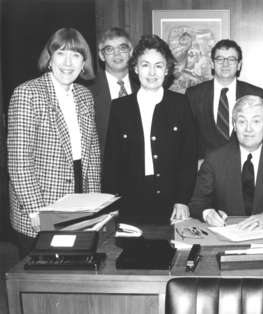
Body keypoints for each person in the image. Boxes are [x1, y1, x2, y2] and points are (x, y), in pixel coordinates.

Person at [7, 28, 101, 257]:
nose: (68, 62)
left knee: (75, 272)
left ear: (84, 63)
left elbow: (93, 153)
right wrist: (36, 212)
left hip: (79, 201)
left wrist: (96, 205)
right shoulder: (27, 93)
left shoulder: (84, 95)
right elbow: (19, 162)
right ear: (49, 58)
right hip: (41, 204)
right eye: (61, 53)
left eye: (76, 55)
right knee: (42, 283)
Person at [103, 35, 197, 225]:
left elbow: (188, 157)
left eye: (159, 65)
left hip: (171, 202)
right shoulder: (120, 107)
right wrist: (110, 204)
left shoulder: (181, 104)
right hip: (129, 202)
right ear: (136, 69)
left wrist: (182, 200)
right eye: (145, 65)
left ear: (167, 70)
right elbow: (112, 161)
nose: (152, 72)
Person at [190, 95, 263, 230]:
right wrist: (208, 213)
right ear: (234, 125)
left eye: (256, 121)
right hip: (228, 234)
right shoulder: (215, 158)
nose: (248, 129)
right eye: (242, 122)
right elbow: (197, 202)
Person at [186, 39, 263, 160]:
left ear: (239, 65)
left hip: (244, 167)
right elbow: (187, 136)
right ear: (212, 64)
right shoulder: (194, 95)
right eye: (220, 59)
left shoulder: (256, 94)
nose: (225, 64)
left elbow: (262, 135)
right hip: (206, 168)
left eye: (231, 59)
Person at [87, 27, 138, 155]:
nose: (117, 54)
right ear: (101, 55)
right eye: (109, 49)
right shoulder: (88, 93)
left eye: (122, 48)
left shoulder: (145, 87)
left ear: (131, 52)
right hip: (103, 170)